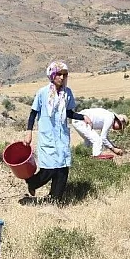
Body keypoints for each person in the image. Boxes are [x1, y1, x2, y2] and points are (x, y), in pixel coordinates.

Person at [23, 61, 92, 201]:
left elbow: (69, 113)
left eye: (64, 75)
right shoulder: (42, 93)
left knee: (62, 169)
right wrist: (29, 132)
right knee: (49, 168)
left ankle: (54, 200)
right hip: (47, 136)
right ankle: (32, 183)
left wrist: (83, 117)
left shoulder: (67, 93)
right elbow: (33, 113)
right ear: (52, 75)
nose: (62, 77)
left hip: (62, 137)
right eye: (59, 74)